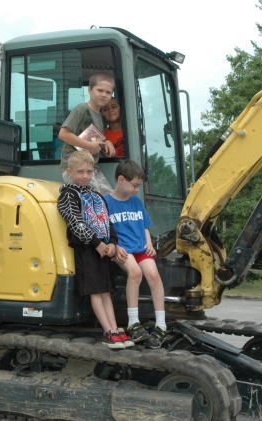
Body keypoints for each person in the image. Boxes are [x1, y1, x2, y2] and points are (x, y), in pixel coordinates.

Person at [57, 150, 133, 349]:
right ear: (69, 171)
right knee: (96, 292)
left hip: (103, 249)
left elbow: (107, 222)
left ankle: (115, 329)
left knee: (106, 291)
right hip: (87, 249)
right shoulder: (67, 195)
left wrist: (112, 244)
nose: (85, 176)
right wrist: (97, 243)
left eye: (89, 172)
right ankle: (108, 332)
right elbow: (75, 222)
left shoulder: (96, 195)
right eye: (80, 172)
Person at [105, 160, 167, 348]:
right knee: (135, 272)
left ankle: (161, 325)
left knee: (154, 275)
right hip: (121, 249)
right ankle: (133, 322)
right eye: (135, 185)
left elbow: (145, 226)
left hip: (140, 247)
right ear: (121, 180)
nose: (136, 190)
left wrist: (148, 241)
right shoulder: (106, 202)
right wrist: (114, 246)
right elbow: (105, 230)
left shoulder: (136, 202)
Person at [58, 72, 116, 195]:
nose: (103, 95)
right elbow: (63, 134)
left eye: (108, 92)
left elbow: (92, 138)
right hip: (76, 168)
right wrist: (89, 146)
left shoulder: (99, 116)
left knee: (108, 199)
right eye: (100, 90)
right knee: (92, 201)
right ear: (89, 90)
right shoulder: (82, 109)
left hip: (91, 167)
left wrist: (106, 141)